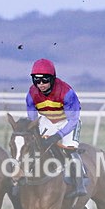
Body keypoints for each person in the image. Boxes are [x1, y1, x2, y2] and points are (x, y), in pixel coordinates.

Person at [25, 58, 88, 197]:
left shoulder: (66, 93)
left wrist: (56, 136)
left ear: (52, 78)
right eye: (37, 80)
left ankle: (80, 184)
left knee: (69, 150)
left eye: (45, 80)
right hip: (47, 120)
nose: (41, 84)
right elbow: (32, 119)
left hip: (68, 122)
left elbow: (73, 120)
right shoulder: (31, 94)